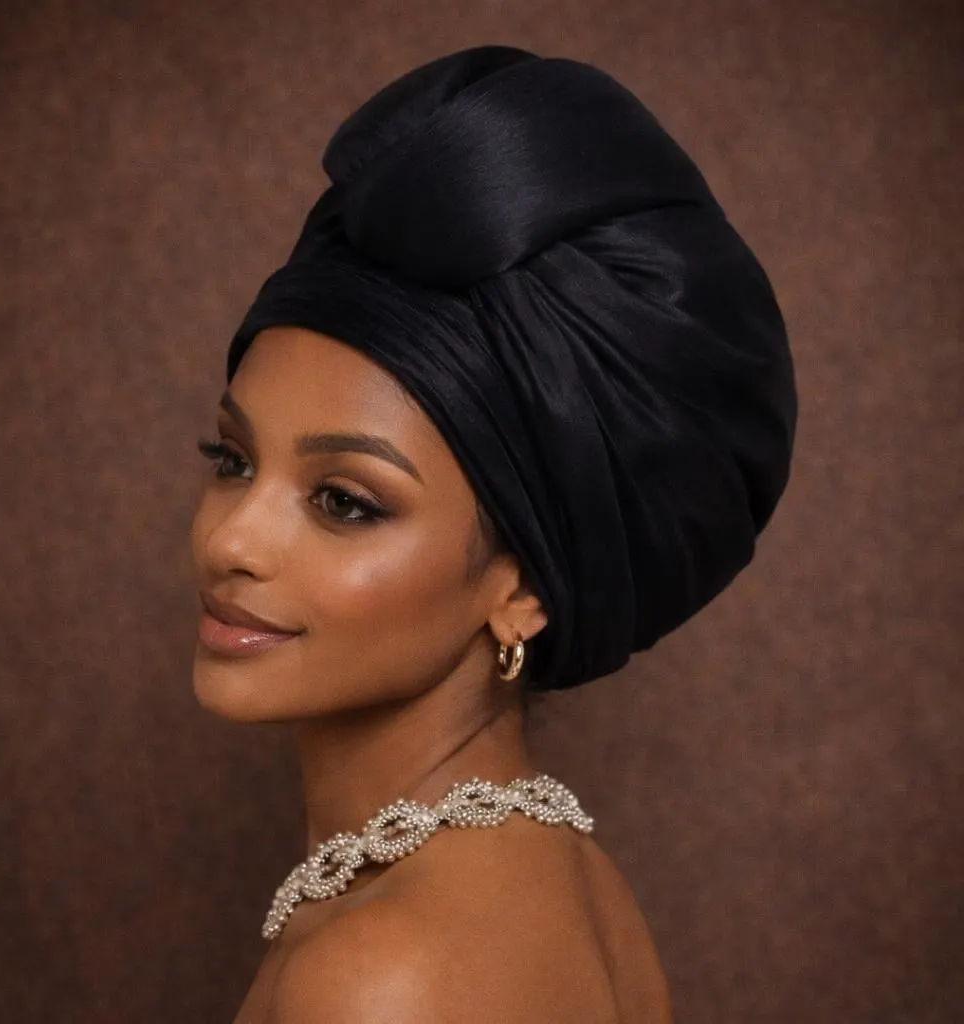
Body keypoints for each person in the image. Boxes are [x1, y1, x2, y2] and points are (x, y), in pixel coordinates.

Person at [190, 45, 797, 1023]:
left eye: (344, 502)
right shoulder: (572, 886)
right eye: (231, 459)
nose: (231, 540)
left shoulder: (381, 979)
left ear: (525, 586)